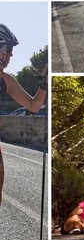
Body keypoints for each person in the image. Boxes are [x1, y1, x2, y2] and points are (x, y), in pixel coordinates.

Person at [0, 24, 48, 206]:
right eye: (8, 49)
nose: (11, 55)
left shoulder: (7, 81)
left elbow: (33, 105)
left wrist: (43, 84)